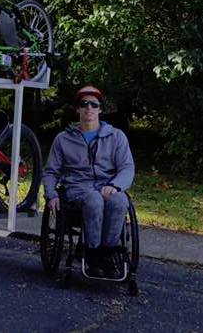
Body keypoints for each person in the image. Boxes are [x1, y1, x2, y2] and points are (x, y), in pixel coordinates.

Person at [42, 85, 135, 279]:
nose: (89, 108)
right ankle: (91, 253)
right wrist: (51, 195)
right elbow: (51, 171)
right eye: (84, 104)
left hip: (108, 185)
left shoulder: (116, 137)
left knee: (119, 201)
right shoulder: (63, 139)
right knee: (94, 199)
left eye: (94, 104)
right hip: (77, 188)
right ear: (77, 109)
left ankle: (108, 253)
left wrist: (116, 185)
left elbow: (127, 167)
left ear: (100, 109)